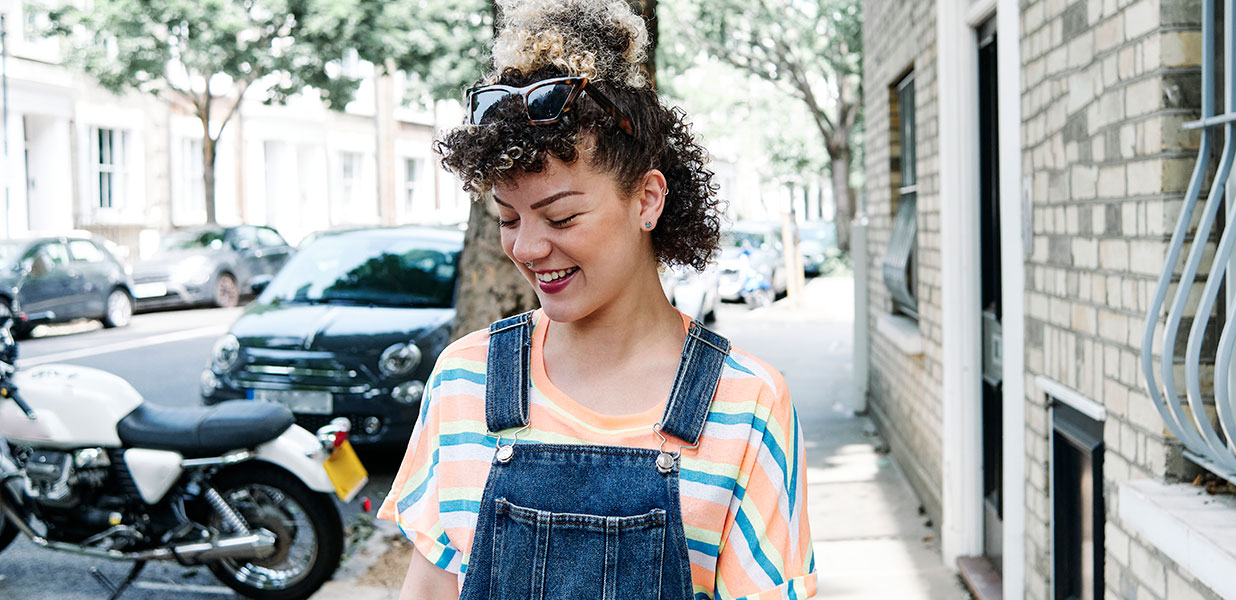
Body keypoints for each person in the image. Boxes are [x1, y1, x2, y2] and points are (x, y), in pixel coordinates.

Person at [378, 1, 817, 598]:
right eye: (508, 218)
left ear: (646, 200)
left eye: (561, 216)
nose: (528, 247)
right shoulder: (463, 380)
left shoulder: (746, 404)